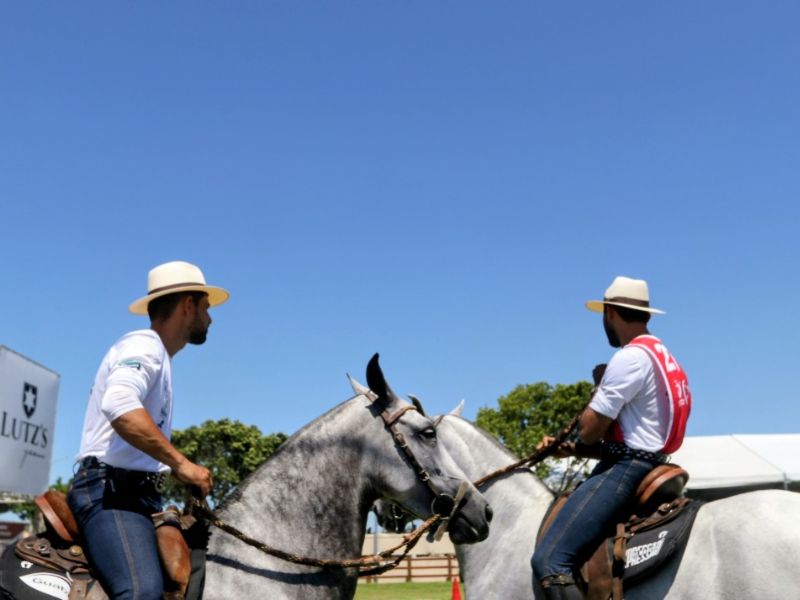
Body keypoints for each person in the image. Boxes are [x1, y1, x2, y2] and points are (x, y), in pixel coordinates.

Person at [67, 261, 229, 600]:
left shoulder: (160, 358)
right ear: (188, 306)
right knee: (141, 592)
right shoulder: (144, 345)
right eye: (206, 307)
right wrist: (181, 464)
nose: (210, 318)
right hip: (110, 493)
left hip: (138, 497)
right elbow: (119, 404)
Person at [531, 276, 691, 600]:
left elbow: (590, 431)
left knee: (549, 560)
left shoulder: (629, 357)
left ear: (610, 313)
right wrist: (572, 450)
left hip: (626, 472)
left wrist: (600, 389)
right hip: (652, 464)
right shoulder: (664, 357)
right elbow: (638, 439)